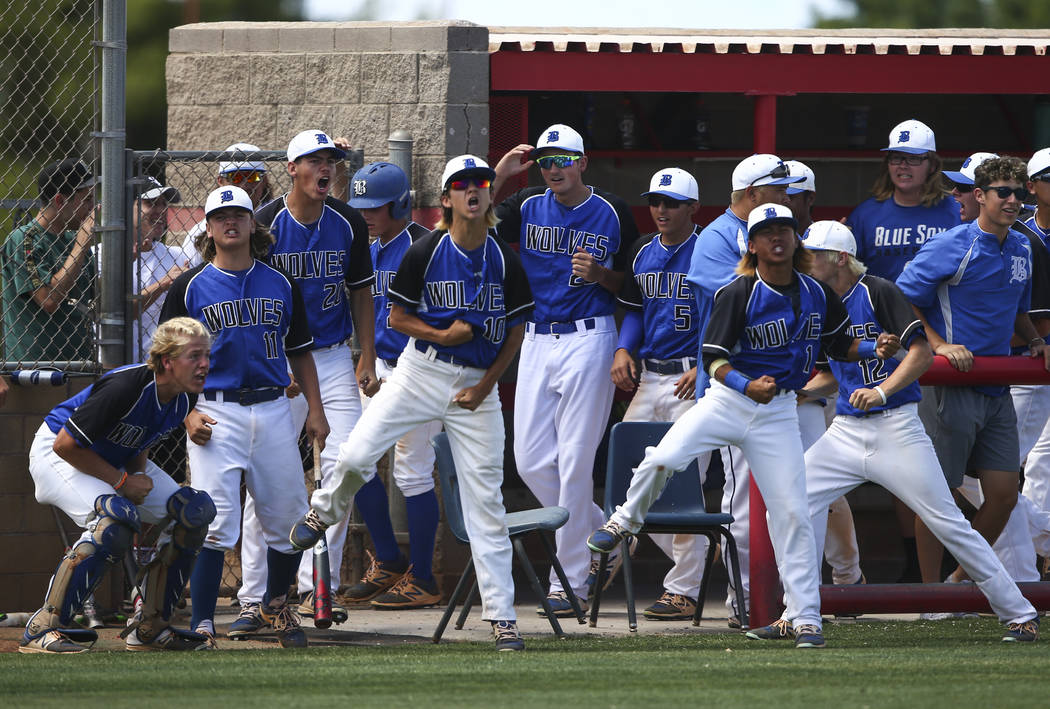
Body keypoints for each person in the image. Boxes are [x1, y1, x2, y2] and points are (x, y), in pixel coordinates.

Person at [589, 203, 900, 649]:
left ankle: (805, 617)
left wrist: (874, 347)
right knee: (665, 458)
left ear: (796, 240)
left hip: (777, 414)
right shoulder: (737, 292)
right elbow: (713, 358)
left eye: (785, 230)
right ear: (752, 245)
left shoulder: (817, 293)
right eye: (767, 231)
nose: (777, 237)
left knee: (792, 512)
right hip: (728, 402)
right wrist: (745, 382)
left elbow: (840, 345)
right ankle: (624, 521)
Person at [746, 220, 1040, 643]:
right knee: (787, 504)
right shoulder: (819, 300)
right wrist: (799, 394)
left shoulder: (878, 290)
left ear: (840, 258)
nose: (803, 263)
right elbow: (833, 375)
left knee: (947, 521)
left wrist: (882, 391)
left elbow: (920, 354)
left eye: (812, 256)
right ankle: (799, 614)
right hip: (845, 430)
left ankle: (1018, 613)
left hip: (897, 426)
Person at [289, 155, 534, 651]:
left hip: (474, 388)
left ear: (488, 196)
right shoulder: (427, 251)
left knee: (485, 501)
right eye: (461, 185)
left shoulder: (505, 258)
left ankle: (502, 617)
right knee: (356, 454)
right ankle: (323, 510)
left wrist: (487, 387)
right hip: (419, 371)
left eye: (481, 185)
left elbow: (515, 332)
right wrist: (443, 333)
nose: (473, 191)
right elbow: (397, 319)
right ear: (446, 198)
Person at [159, 185, 329, 648]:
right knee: (214, 522)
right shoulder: (189, 286)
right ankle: (203, 622)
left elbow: (301, 352)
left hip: (275, 407)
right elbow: (166, 360)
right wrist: (186, 413)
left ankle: (277, 608)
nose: (230, 222)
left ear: (253, 224)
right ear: (209, 228)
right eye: (220, 216)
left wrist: (315, 408)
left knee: (290, 517)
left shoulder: (281, 282)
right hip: (215, 410)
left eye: (239, 215)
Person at [229, 130, 374, 635]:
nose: (324, 167)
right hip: (278, 360)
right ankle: (253, 599)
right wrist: (277, 366)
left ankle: (321, 587)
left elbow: (361, 292)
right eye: (313, 159)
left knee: (348, 462)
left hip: (333, 355)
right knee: (267, 479)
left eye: (330, 159)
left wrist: (367, 356)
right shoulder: (265, 223)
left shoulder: (348, 221)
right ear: (291, 168)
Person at [490, 124, 638, 615]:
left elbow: (635, 285)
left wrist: (602, 275)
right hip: (536, 336)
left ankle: (570, 580)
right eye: (546, 161)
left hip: (590, 336)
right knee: (531, 459)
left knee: (575, 461)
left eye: (562, 159)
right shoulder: (528, 203)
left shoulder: (612, 210)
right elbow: (472, 222)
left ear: (583, 162)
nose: (553, 168)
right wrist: (499, 177)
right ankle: (605, 530)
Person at [19, 317, 217, 653]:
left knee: (193, 512)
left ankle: (151, 628)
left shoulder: (184, 398)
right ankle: (44, 627)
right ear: (167, 361)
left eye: (206, 356)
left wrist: (133, 476)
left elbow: (141, 436)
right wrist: (123, 483)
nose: (204, 365)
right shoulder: (126, 385)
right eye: (194, 356)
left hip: (108, 459)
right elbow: (65, 445)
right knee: (114, 520)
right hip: (58, 452)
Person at [896, 156, 1050, 587]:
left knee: (1003, 496)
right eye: (1004, 192)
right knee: (937, 498)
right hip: (949, 384)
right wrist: (939, 345)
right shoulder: (952, 243)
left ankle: (959, 580)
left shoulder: (1021, 246)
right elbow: (899, 299)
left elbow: (1017, 309)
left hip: (997, 384)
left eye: (1020, 193)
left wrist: (1036, 341)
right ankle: (930, 599)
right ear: (980, 196)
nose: (1013, 201)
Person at [685, 153, 804, 627]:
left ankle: (772, 600)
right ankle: (746, 602)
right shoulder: (716, 238)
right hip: (733, 389)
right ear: (752, 193)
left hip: (774, 393)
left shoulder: (776, 230)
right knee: (740, 501)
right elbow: (747, 305)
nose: (786, 195)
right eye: (778, 188)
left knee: (783, 500)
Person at [342, 160, 443, 609]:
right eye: (360, 205)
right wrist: (367, 357)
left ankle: (423, 577)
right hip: (376, 363)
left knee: (412, 470)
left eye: (376, 207)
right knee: (354, 461)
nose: (367, 215)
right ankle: (387, 559)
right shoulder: (366, 245)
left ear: (401, 204)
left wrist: (399, 373)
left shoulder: (426, 246)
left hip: (419, 370)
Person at [611, 167, 708, 620]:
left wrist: (706, 368)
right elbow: (632, 309)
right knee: (628, 474)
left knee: (686, 482)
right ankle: (702, 552)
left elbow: (727, 314)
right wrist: (623, 348)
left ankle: (683, 588)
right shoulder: (642, 251)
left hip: (694, 377)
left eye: (671, 203)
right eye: (655, 202)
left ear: (693, 208)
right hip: (651, 377)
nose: (661, 210)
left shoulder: (709, 249)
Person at [2, 159, 96, 364]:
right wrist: (81, 245)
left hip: (81, 365)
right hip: (36, 370)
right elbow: (48, 300)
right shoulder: (24, 239)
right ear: (60, 201)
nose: (93, 208)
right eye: (87, 199)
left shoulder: (75, 239)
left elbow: (102, 302)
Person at [846, 119, 960, 282]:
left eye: (913, 158)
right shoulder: (864, 216)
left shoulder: (956, 211)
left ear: (933, 165)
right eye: (896, 158)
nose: (903, 166)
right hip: (882, 307)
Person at [182, 143, 273, 267]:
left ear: (264, 180)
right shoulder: (200, 232)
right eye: (236, 177)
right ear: (220, 181)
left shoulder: (277, 221)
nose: (245, 184)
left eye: (252, 176)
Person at [131, 177, 190, 359]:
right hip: (119, 365)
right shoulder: (101, 256)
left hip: (164, 367)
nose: (161, 211)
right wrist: (165, 283)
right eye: (151, 203)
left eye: (164, 204)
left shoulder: (178, 256)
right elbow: (119, 313)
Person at [943, 152, 1000, 223]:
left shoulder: (1016, 232)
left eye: (962, 187)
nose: (954, 192)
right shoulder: (956, 232)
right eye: (956, 184)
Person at [784, 160, 816, 234]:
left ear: (810, 198)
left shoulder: (822, 238)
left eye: (789, 196)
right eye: (779, 195)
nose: (782, 201)